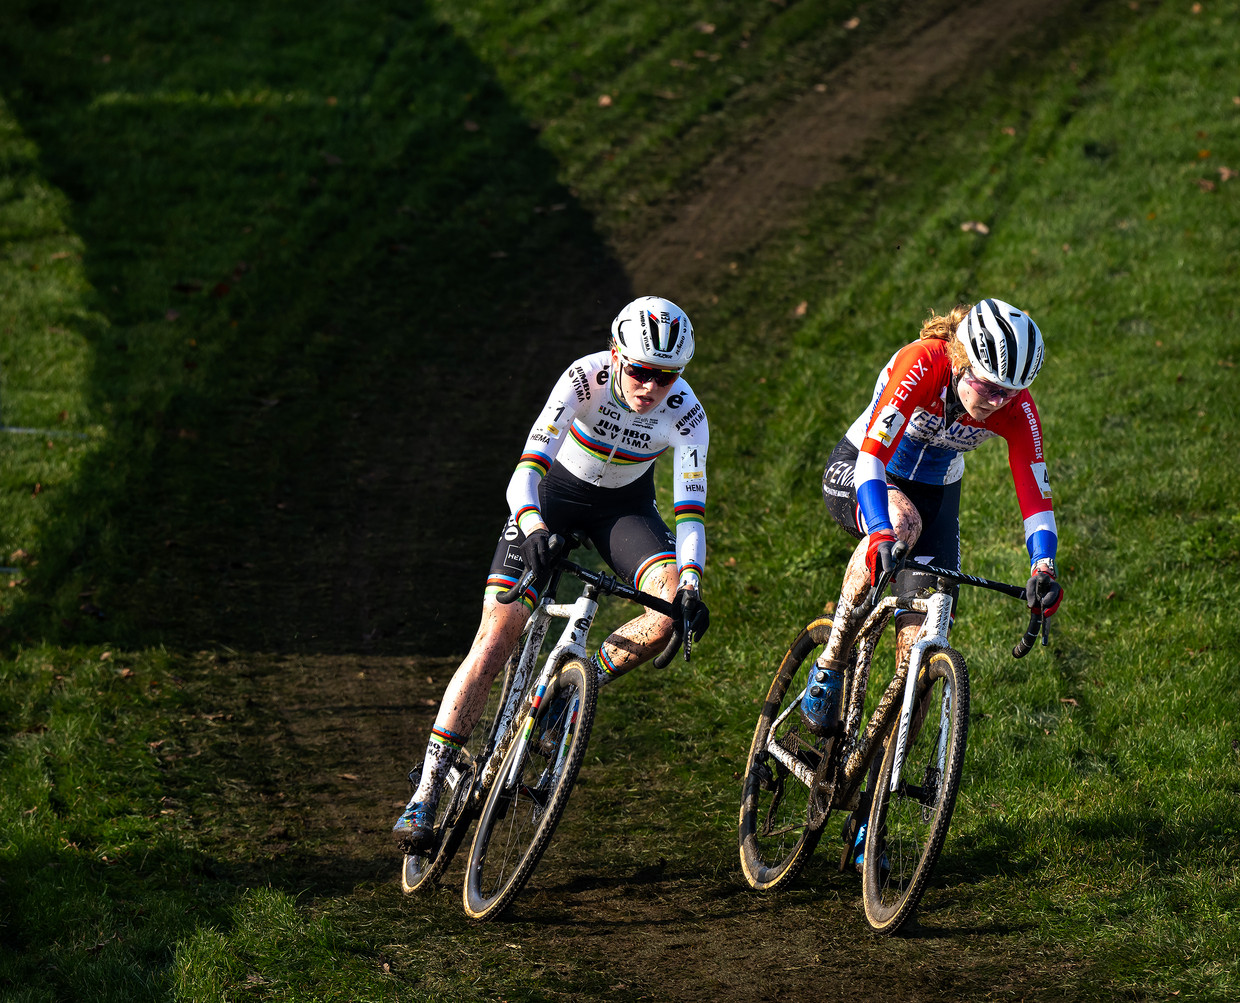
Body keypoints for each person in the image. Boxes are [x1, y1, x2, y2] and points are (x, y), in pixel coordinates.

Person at [393, 295, 711, 853]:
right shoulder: (583, 379)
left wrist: (690, 585)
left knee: (662, 617)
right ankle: (426, 787)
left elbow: (689, 514)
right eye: (639, 371)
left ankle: (568, 693)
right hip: (552, 501)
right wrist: (536, 529)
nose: (651, 389)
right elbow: (524, 476)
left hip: (624, 512)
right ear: (616, 354)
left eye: (666, 377)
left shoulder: (687, 416)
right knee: (496, 636)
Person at [807, 298, 1064, 864]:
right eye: (988, 386)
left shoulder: (1014, 405)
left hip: (934, 493)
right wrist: (877, 532)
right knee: (900, 523)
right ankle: (830, 658)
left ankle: (873, 805)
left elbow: (1036, 499)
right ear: (961, 356)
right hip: (864, 470)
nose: (995, 403)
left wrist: (1043, 569)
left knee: (922, 651)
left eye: (1009, 393)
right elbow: (873, 460)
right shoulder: (923, 363)